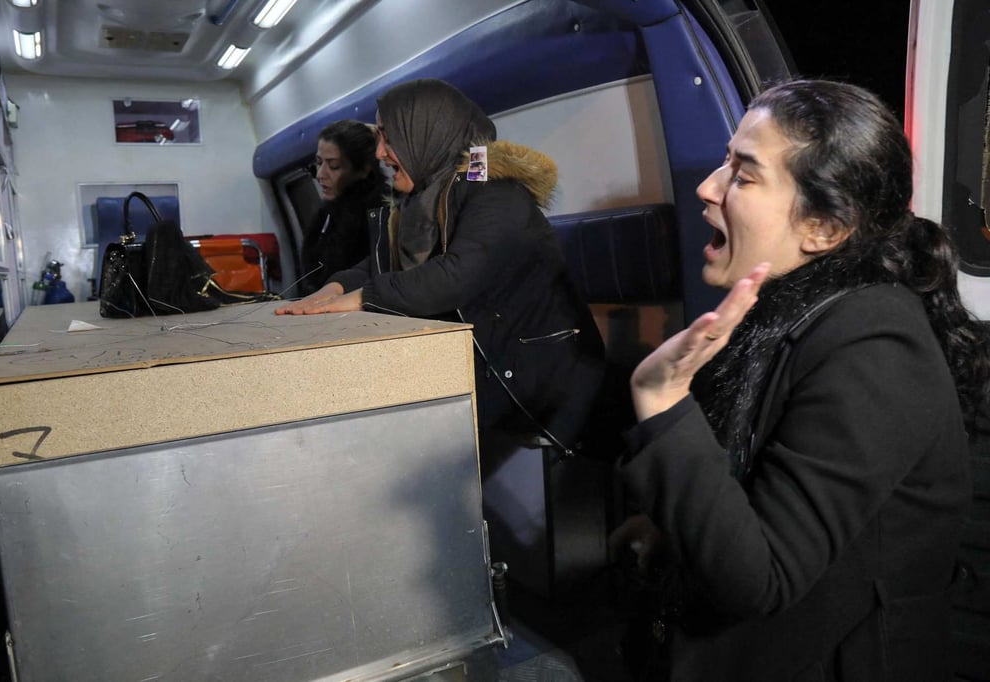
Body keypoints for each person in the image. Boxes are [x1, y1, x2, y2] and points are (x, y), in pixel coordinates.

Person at [615, 79, 989, 681]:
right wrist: (666, 525)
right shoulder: (775, 310)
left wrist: (662, 401)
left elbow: (759, 579)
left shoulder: (875, 345)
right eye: (723, 162)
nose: (707, 187)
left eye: (744, 174)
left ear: (823, 228)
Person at [276, 78, 604, 453]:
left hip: (536, 380)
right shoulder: (420, 202)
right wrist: (332, 289)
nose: (380, 152)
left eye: (389, 136)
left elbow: (456, 275)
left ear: (426, 132)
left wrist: (364, 297)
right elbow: (384, 263)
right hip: (485, 367)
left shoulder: (497, 193)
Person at [300, 119, 386, 293]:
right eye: (318, 163)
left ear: (363, 169)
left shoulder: (381, 215)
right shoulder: (327, 213)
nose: (320, 175)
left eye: (334, 166)